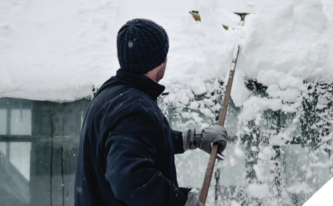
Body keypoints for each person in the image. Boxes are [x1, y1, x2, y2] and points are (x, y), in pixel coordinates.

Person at [74, 19, 228, 206]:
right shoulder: (134, 109)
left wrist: (190, 139)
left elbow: (139, 142)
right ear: (160, 61)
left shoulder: (111, 95)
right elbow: (128, 179)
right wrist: (179, 202)